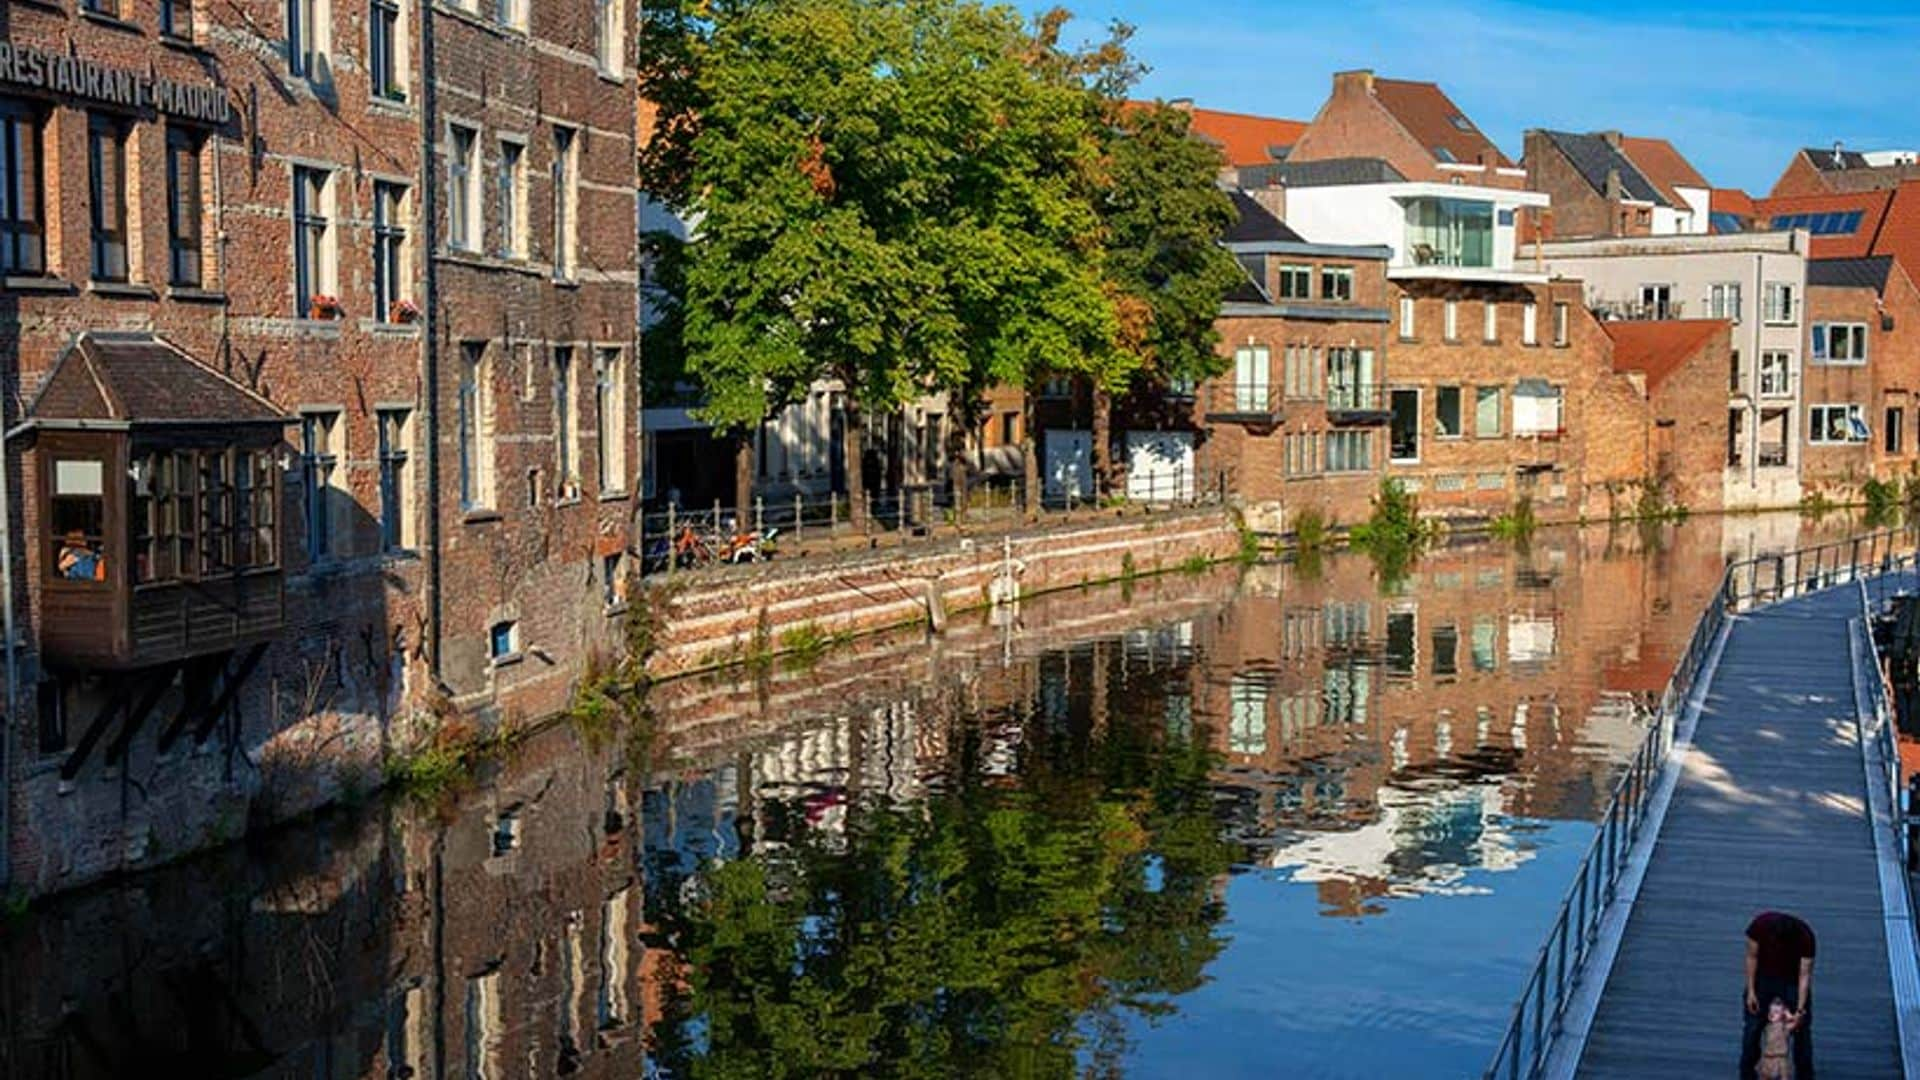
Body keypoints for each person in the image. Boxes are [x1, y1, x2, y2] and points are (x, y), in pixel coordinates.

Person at [1742, 910, 1815, 1079]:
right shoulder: (1759, 926)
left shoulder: (1805, 937)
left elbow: (1804, 975)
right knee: (1752, 1027)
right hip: (1763, 978)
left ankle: (1805, 1075)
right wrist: (1751, 991)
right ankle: (1747, 1073)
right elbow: (1751, 957)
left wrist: (1800, 1009)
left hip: (1792, 981)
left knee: (1802, 1031)